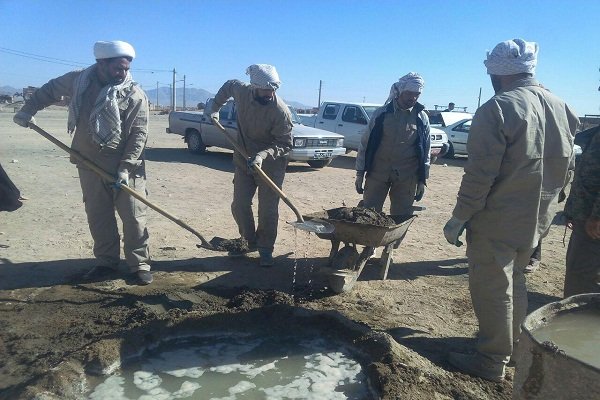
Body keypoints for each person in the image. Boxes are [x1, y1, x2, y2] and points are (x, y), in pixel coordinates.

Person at [442, 38, 579, 382]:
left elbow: (480, 174)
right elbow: (570, 166)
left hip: (498, 216)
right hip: (537, 218)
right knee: (515, 281)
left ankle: (491, 359)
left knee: (492, 286)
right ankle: (515, 347)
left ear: (496, 73)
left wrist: (461, 216)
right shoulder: (561, 106)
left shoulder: (498, 108)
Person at [13, 40, 153, 285]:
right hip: (88, 162)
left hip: (125, 167)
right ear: (101, 63)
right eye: (118, 68)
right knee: (98, 216)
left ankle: (139, 264)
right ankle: (107, 263)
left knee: (134, 217)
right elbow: (49, 90)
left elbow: (139, 134)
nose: (123, 73)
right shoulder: (79, 81)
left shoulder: (134, 94)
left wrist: (125, 168)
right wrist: (28, 110)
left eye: (127, 68)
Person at [209, 64, 293, 267]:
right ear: (254, 87)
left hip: (271, 164)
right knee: (239, 204)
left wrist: (262, 155)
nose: (270, 93)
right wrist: (214, 108)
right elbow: (228, 85)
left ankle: (265, 249)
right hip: (242, 157)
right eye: (266, 90)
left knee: (267, 210)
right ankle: (248, 241)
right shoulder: (242, 90)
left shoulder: (280, 111)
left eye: (273, 90)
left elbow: (285, 144)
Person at [355, 73, 430, 217]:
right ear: (400, 91)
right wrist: (360, 173)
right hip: (377, 174)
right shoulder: (381, 114)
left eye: (417, 94)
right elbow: (365, 145)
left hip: (406, 178)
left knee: (400, 217)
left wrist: (422, 179)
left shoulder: (421, 118)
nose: (413, 98)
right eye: (409, 93)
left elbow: (425, 150)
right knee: (369, 215)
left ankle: (393, 240)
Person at [563, 128, 600, 297]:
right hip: (584, 216)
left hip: (592, 222)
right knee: (578, 268)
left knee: (583, 274)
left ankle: (581, 317)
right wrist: (571, 210)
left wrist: (597, 216)